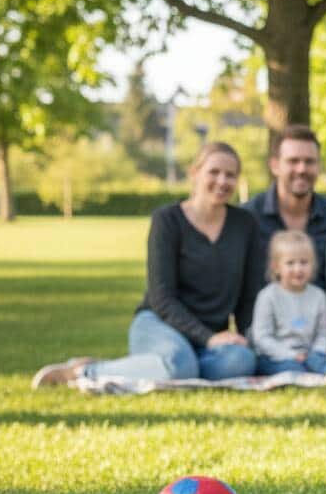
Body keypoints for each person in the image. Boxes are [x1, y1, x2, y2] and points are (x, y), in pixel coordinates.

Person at [32, 142, 260, 387]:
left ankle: (155, 367)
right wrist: (209, 338)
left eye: (230, 175)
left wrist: (247, 340)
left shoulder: (244, 224)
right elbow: (161, 297)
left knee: (241, 361)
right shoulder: (167, 220)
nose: (222, 181)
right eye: (214, 172)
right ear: (194, 173)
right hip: (158, 324)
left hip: (210, 337)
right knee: (180, 366)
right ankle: (83, 370)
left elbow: (247, 298)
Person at [243, 123, 326, 289]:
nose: (301, 169)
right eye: (293, 161)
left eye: (309, 161)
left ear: (318, 166)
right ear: (275, 166)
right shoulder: (248, 217)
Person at [250, 230, 326, 384]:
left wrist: (317, 351)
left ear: (313, 264)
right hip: (275, 356)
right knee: (291, 367)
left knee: (321, 361)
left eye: (304, 262)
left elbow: (323, 334)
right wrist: (291, 355)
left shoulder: (318, 296)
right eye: (290, 263)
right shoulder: (267, 296)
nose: (298, 269)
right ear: (276, 267)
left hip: (310, 354)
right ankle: (311, 375)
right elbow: (262, 338)